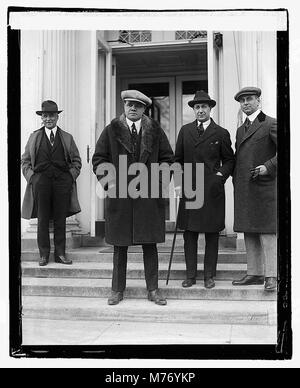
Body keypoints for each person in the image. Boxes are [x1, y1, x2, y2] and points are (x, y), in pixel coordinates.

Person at [92, 90, 174, 306]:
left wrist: (158, 184)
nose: (133, 108)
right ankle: (117, 290)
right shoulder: (111, 130)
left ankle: (153, 290)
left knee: (150, 245)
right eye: (129, 104)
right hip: (120, 197)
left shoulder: (156, 131)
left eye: (137, 105)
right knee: (120, 246)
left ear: (144, 108)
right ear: (124, 106)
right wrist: (109, 183)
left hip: (148, 197)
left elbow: (167, 159)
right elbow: (99, 159)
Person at [174, 90, 235, 289]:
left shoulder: (221, 133)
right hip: (191, 189)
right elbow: (177, 160)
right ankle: (190, 275)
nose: (200, 110)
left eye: (204, 107)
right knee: (189, 234)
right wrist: (178, 183)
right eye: (197, 107)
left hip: (212, 190)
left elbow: (230, 160)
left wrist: (220, 177)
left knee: (211, 234)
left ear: (210, 109)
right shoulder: (185, 131)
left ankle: (209, 275)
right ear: (193, 109)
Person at [21, 100, 81, 266]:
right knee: (42, 219)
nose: (48, 119)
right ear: (42, 118)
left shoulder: (67, 138)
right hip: (41, 183)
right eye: (45, 116)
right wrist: (32, 178)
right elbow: (24, 161)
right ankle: (44, 255)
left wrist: (70, 177)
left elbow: (76, 161)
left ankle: (60, 254)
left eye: (52, 116)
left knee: (61, 219)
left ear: (57, 117)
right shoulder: (34, 137)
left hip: (62, 182)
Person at [232, 87, 277, 291]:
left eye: (250, 99)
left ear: (259, 101)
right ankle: (254, 273)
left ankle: (272, 276)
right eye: (242, 101)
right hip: (245, 188)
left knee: (267, 232)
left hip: (265, 187)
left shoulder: (271, 123)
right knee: (249, 231)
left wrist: (268, 166)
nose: (246, 103)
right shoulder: (241, 129)